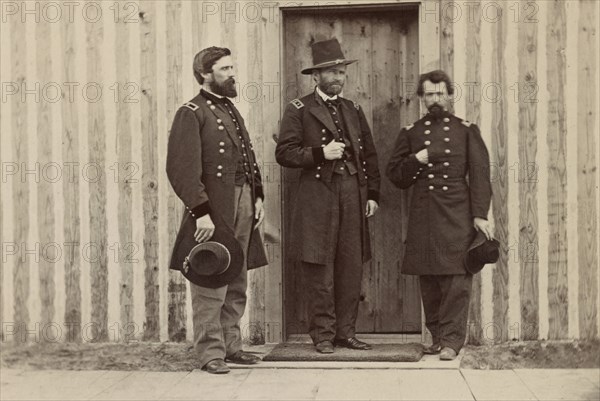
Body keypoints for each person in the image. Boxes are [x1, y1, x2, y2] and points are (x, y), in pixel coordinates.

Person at [166, 46, 268, 373]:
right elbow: (181, 169)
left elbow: (247, 158)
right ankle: (211, 353)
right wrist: (201, 212)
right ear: (205, 74)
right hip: (214, 207)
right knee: (211, 277)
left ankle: (232, 346)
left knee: (236, 275)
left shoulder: (228, 109)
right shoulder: (191, 112)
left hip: (242, 202)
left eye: (232, 67)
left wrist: (257, 197)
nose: (232, 73)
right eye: (225, 69)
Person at [276, 38, 381, 354]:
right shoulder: (298, 109)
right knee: (318, 265)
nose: (337, 78)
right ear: (316, 77)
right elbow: (285, 153)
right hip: (317, 197)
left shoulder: (353, 109)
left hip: (353, 193)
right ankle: (322, 335)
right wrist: (321, 153)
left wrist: (372, 194)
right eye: (331, 73)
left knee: (351, 265)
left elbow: (370, 155)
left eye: (341, 73)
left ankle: (345, 333)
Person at [386, 70, 493, 360]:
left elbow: (481, 175)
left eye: (440, 93)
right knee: (430, 279)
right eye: (429, 94)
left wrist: (480, 214)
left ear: (449, 95)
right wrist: (415, 159)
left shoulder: (466, 130)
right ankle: (436, 338)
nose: (435, 99)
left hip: (458, 212)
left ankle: (452, 342)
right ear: (421, 98)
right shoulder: (410, 132)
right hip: (424, 214)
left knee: (457, 278)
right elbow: (395, 176)